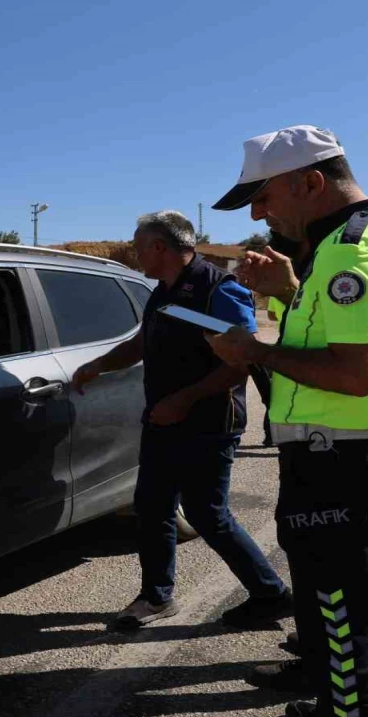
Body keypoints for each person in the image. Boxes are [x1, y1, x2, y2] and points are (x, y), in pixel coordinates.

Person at [206, 125, 368, 717]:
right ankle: (327, 692)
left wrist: (252, 351)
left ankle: (351, 713)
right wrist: (288, 291)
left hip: (344, 464)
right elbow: (338, 332)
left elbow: (355, 374)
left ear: (310, 182)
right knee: (332, 602)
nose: (258, 214)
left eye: (263, 197)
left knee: (342, 613)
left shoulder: (350, 250)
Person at [71, 210, 292, 630]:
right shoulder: (162, 291)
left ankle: (270, 593)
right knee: (152, 506)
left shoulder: (218, 290)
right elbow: (141, 343)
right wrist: (98, 365)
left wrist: (184, 400)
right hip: (163, 418)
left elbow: (242, 361)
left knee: (207, 514)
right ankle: (157, 596)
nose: (134, 254)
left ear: (159, 247)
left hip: (209, 422)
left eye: (138, 247)